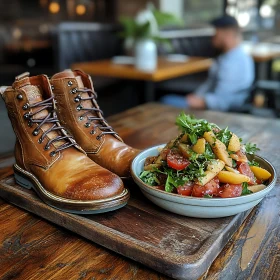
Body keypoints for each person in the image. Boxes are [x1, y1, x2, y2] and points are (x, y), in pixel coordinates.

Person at [161, 15, 255, 111]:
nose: (213, 37)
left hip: (215, 112)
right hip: (208, 102)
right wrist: (197, 96)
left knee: (166, 100)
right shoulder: (231, 56)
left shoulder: (234, 62)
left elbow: (222, 102)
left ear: (227, 34)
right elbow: (211, 84)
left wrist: (199, 101)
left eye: (216, 32)